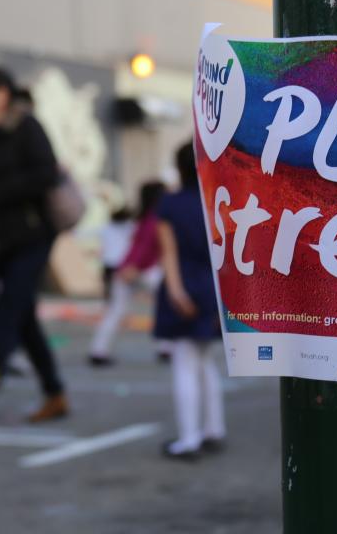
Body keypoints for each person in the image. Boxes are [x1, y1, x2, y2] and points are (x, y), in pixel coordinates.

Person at [0, 68, 67, 424]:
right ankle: (55, 392)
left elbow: (45, 173)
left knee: (6, 314)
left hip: (32, 237)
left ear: (2, 93)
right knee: (23, 317)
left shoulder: (25, 126)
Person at [155, 142, 225, 460]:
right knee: (205, 360)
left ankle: (189, 439)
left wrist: (176, 291)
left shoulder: (169, 204)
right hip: (213, 286)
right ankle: (213, 429)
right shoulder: (217, 201)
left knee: (184, 363)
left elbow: (168, 254)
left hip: (185, 283)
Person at [88, 181, 165, 366]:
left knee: (116, 310)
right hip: (140, 269)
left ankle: (98, 350)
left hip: (131, 267)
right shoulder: (154, 219)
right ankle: (166, 347)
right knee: (164, 304)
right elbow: (144, 248)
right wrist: (134, 266)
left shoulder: (144, 219)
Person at [99, 205, 134, 298]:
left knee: (109, 286)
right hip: (122, 260)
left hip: (109, 260)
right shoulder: (130, 227)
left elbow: (88, 232)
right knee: (121, 288)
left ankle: (109, 300)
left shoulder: (107, 227)